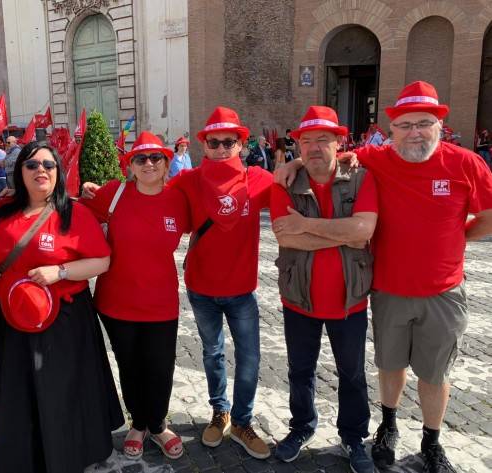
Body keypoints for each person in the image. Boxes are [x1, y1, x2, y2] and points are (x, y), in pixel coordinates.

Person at [276, 81, 492, 473]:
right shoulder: (375, 159)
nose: (414, 133)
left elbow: (489, 215)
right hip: (388, 288)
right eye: (405, 125)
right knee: (389, 366)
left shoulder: (465, 163)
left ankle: (432, 439)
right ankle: (388, 427)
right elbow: (322, 155)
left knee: (434, 372)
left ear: (439, 125)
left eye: (423, 123)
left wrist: (457, 238)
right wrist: (291, 162)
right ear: (391, 130)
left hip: (443, 290)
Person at [0, 141, 124, 473]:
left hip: (63, 319)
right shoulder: (0, 211)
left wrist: (59, 272)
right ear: (19, 172)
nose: (41, 171)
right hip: (12, 320)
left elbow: (102, 261)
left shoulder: (73, 212)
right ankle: (27, 455)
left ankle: (68, 455)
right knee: (21, 390)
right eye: (31, 165)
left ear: (59, 173)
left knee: (62, 391)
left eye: (49, 165)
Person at [270, 106, 378, 473]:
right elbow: (286, 236)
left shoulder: (362, 178)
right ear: (298, 145)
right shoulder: (285, 182)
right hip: (299, 298)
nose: (315, 147)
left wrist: (308, 225)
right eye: (307, 140)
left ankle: (353, 436)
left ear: (338, 142)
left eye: (323, 139)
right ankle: (301, 427)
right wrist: (341, 233)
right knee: (300, 370)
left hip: (349, 300)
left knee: (352, 373)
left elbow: (364, 233)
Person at [168, 106, 273, 459]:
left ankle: (242, 421)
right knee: (212, 354)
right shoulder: (188, 180)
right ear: (205, 146)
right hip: (201, 289)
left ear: (242, 144)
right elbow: (149, 196)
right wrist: (101, 194)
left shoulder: (259, 178)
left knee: (249, 358)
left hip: (242, 290)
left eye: (230, 141)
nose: (223, 148)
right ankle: (220, 412)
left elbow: (297, 180)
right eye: (215, 142)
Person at [80, 131, 190, 460]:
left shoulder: (178, 199)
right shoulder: (114, 193)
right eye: (140, 158)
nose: (148, 164)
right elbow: (75, 213)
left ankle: (157, 424)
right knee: (129, 366)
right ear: (130, 165)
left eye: (156, 158)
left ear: (167, 163)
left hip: (161, 304)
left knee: (159, 367)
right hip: (117, 303)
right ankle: (138, 424)